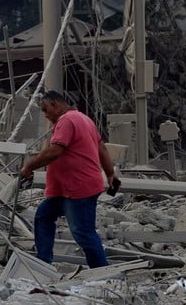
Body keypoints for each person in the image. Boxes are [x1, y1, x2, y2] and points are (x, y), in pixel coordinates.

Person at [19, 90, 118, 268]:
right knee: (43, 216)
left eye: (45, 109)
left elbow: (55, 151)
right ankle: (43, 263)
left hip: (77, 189)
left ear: (55, 105)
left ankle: (103, 273)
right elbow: (101, 147)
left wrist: (29, 166)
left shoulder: (65, 121)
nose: (46, 115)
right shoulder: (83, 118)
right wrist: (110, 173)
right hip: (65, 189)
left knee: (83, 232)